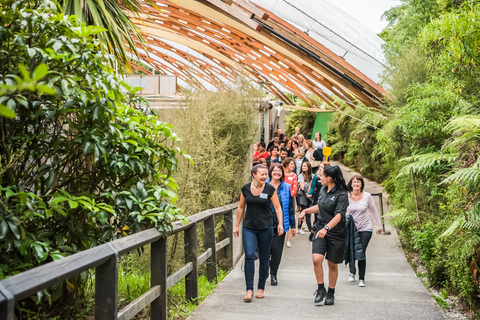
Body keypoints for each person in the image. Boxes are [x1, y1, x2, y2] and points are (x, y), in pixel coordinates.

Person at [298, 165, 349, 306]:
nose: (319, 177)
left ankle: (331, 292)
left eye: (321, 175)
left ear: (329, 178)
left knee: (332, 264)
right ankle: (321, 289)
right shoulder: (322, 189)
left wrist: (327, 228)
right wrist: (306, 211)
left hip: (335, 232)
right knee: (316, 259)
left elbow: (339, 215)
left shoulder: (342, 194)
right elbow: (320, 206)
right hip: (320, 228)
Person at [234, 164, 284, 302]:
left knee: (263, 258)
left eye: (265, 174)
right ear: (254, 175)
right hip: (249, 227)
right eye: (262, 174)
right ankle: (249, 289)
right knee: (249, 255)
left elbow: (277, 207)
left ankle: (261, 288)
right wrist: (237, 225)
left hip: (266, 227)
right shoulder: (245, 188)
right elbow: (240, 207)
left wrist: (280, 223)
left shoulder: (270, 189)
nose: (265, 177)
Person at [346, 175, 383, 287]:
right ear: (351, 184)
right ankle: (352, 272)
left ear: (361, 184)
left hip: (365, 228)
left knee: (361, 251)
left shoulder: (367, 196)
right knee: (351, 250)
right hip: (351, 228)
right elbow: (342, 211)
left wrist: (379, 226)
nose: (356, 184)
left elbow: (373, 211)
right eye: (354, 182)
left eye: (358, 182)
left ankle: (362, 278)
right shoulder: (346, 196)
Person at [267, 163, 296, 287]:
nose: (277, 172)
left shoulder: (286, 187)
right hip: (265, 223)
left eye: (279, 171)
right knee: (265, 250)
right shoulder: (264, 185)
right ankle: (267, 266)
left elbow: (290, 208)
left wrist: (293, 226)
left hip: (280, 224)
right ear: (270, 172)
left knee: (277, 251)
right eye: (274, 170)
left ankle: (273, 274)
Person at [282, 157, 298, 248]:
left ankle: (288, 239)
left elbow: (294, 187)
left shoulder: (294, 175)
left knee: (289, 216)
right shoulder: (281, 174)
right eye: (291, 164)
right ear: (287, 164)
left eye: (293, 164)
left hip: (290, 198)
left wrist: (291, 194)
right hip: (281, 198)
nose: (293, 166)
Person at [297, 161, 313, 235]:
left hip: (310, 197)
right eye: (302, 166)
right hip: (303, 196)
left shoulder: (312, 175)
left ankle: (301, 228)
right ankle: (310, 230)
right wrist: (309, 189)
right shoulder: (301, 175)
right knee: (305, 213)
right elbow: (302, 187)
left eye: (305, 166)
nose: (303, 167)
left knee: (306, 213)